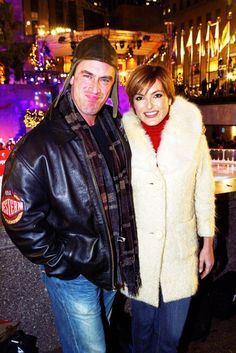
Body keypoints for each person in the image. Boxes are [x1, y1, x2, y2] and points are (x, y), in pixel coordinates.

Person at [1, 35, 141, 353]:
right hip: (74, 275)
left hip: (111, 266)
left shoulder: (112, 127)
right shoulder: (38, 146)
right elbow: (19, 220)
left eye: (105, 79)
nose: (95, 88)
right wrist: (62, 261)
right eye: (87, 76)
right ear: (72, 76)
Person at [121, 64, 215, 353]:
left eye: (156, 95)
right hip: (141, 255)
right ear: (132, 103)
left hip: (180, 251)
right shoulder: (122, 139)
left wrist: (207, 243)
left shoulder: (191, 134)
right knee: (143, 333)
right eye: (140, 97)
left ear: (169, 97)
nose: (149, 105)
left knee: (170, 338)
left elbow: (204, 190)